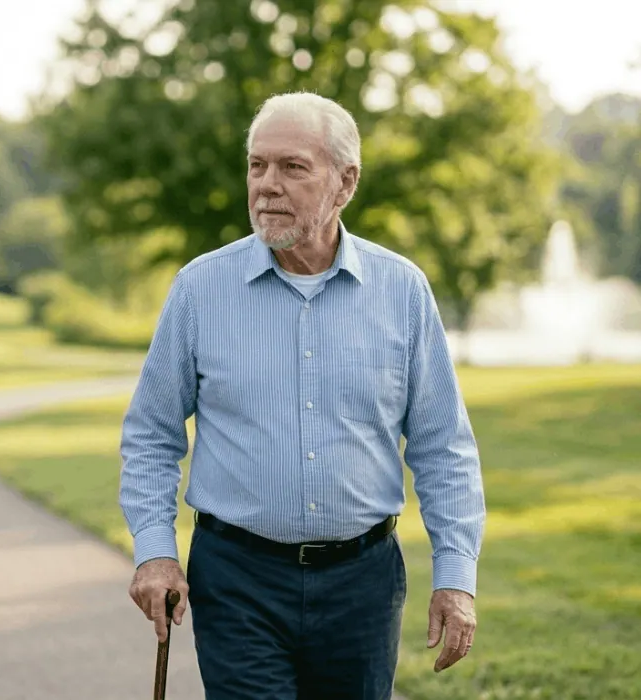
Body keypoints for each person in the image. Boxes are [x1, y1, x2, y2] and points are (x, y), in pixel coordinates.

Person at [119, 91, 485, 699]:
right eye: (257, 166)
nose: (266, 184)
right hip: (237, 580)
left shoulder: (403, 291)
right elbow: (152, 433)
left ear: (345, 182)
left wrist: (456, 578)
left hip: (363, 585)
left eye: (292, 167)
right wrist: (154, 552)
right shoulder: (199, 289)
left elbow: (444, 446)